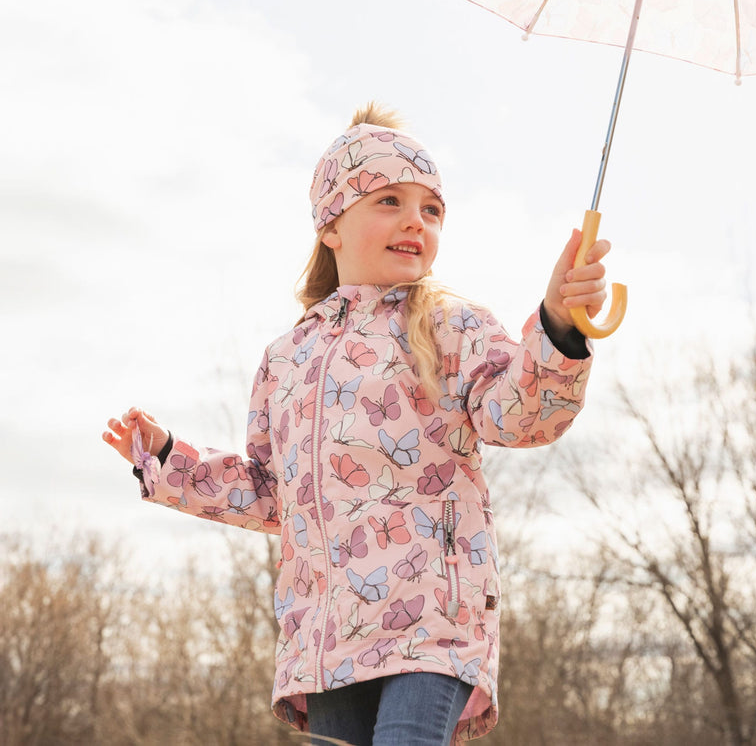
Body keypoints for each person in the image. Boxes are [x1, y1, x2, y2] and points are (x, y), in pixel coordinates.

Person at [103, 102, 610, 746]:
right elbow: (270, 494)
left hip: (432, 621)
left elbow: (521, 416)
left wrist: (560, 326)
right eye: (390, 201)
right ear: (332, 225)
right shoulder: (286, 360)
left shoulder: (450, 326)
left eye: (431, 209)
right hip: (325, 636)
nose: (414, 222)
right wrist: (169, 457)